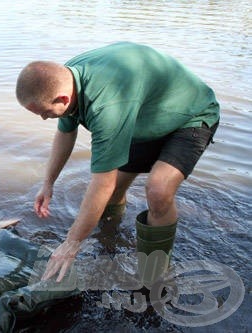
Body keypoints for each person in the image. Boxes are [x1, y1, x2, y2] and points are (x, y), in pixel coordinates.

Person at [15, 42, 219, 285]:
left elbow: (103, 183)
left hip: (190, 116)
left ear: (63, 98)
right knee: (113, 196)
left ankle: (154, 275)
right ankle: (109, 242)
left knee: (158, 190)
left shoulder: (107, 107)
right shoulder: (65, 78)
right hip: (142, 118)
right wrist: (47, 183)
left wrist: (71, 243)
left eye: (46, 113)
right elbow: (66, 133)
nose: (43, 118)